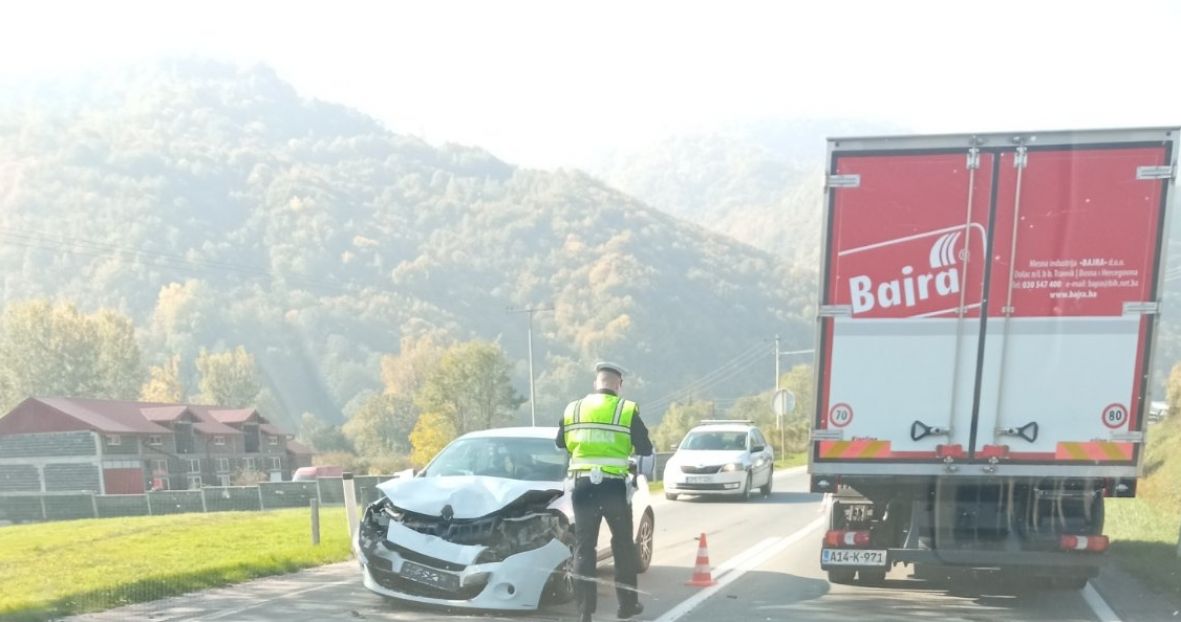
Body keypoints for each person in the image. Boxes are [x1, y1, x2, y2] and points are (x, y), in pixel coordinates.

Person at [556, 361, 653, 622]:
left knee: (585, 548)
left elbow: (560, 442)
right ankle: (627, 606)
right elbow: (645, 447)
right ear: (618, 385)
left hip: (583, 486)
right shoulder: (626, 409)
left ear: (595, 383)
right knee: (622, 545)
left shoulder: (573, 409)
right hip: (613, 488)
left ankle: (584, 611)